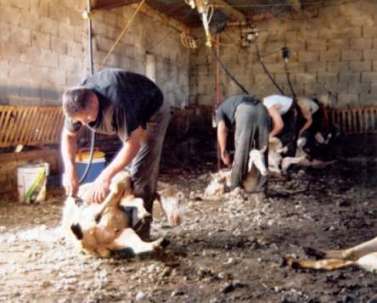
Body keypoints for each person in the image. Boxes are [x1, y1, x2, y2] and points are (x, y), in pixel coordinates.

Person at [61, 68, 171, 239]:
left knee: (141, 173)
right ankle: (119, 227)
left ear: (94, 103)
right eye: (79, 121)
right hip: (131, 110)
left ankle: (139, 237)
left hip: (153, 111)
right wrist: (70, 170)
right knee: (124, 172)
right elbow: (68, 137)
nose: (83, 124)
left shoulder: (118, 103)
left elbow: (132, 146)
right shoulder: (76, 102)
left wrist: (105, 176)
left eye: (86, 119)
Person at [216, 95, 270, 192]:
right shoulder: (231, 103)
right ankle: (261, 188)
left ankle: (235, 187)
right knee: (262, 150)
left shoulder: (219, 111)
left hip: (245, 112)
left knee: (241, 151)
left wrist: (223, 152)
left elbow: (222, 130)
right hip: (262, 109)